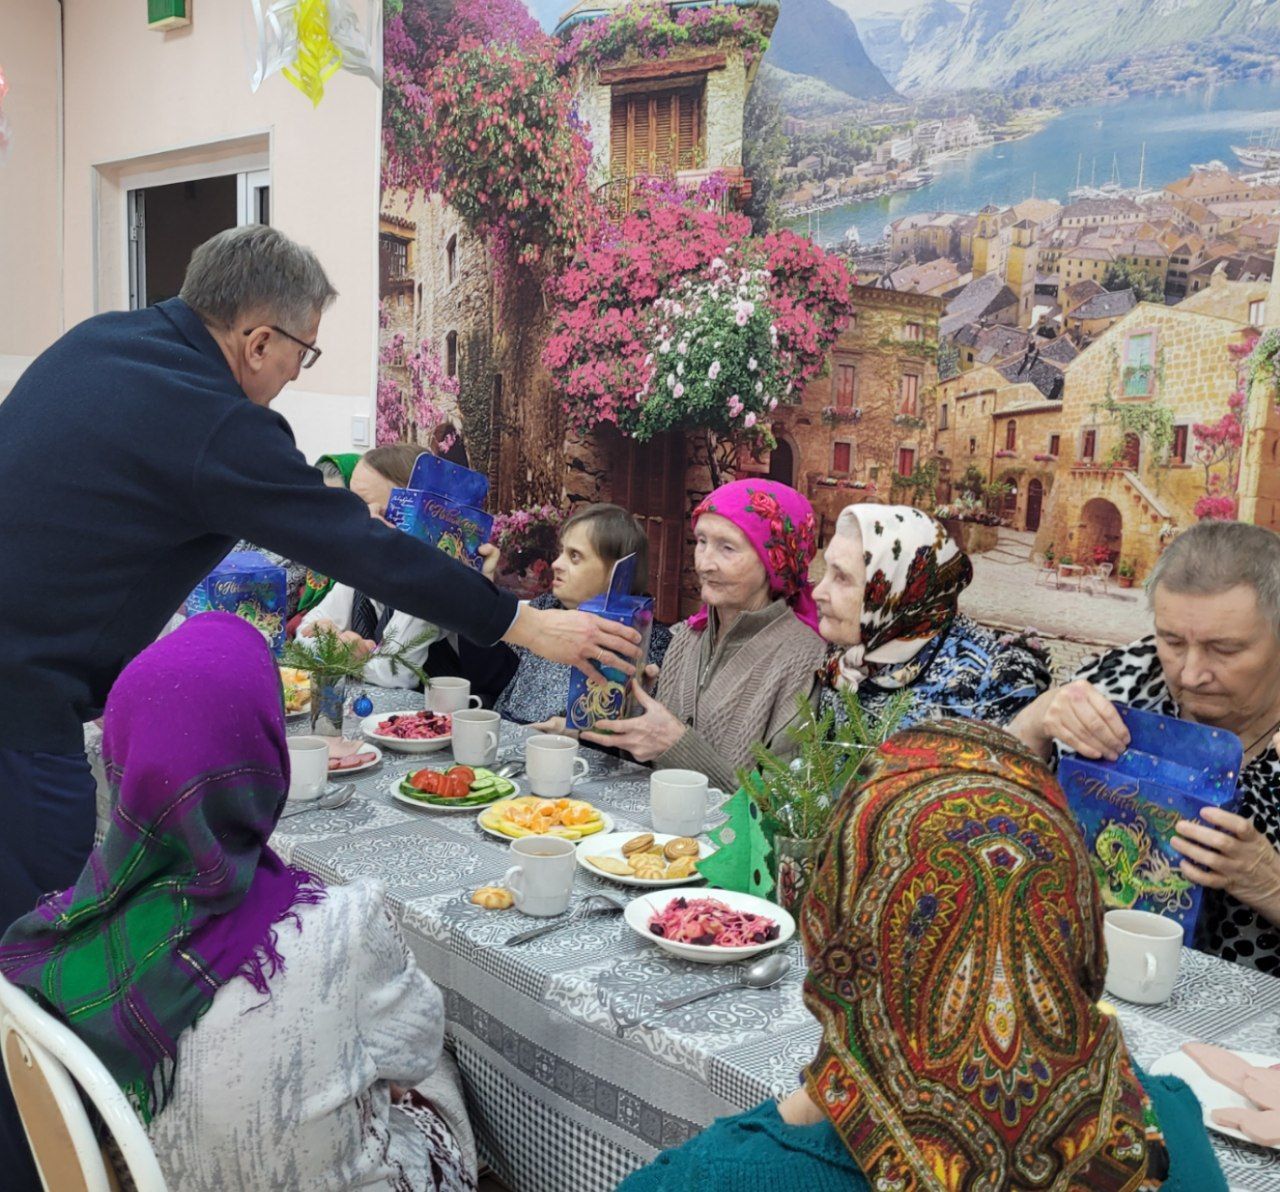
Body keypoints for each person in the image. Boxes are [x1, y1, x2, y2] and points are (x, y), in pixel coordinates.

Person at [0, 223, 638, 922]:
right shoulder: (213, 419)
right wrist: (525, 622)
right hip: (22, 709)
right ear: (259, 341)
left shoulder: (98, 343)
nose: (295, 375)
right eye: (303, 353)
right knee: (34, 950)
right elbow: (362, 546)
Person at [618, 718, 1226, 1192]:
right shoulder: (1171, 1135)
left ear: (828, 933)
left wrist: (818, 1091)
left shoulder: (722, 1178)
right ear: (1080, 936)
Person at [0, 614, 475, 1191]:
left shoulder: (56, 938)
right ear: (267, 751)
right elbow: (415, 1057)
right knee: (442, 1069)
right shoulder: (345, 924)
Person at [1011, 520, 1280, 975]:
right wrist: (1037, 720)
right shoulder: (1126, 681)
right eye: (1172, 641)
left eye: (1226, 650)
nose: (1191, 674)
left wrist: (1267, 882)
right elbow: (984, 802)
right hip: (1089, 980)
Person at [583, 480, 827, 792]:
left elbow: (785, 805)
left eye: (727, 548)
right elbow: (649, 764)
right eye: (701, 541)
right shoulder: (688, 637)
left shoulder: (804, 659)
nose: (704, 564)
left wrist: (677, 746)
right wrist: (622, 714)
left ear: (775, 563)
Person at [811, 504, 1051, 729]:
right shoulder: (851, 653)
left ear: (897, 591)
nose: (817, 592)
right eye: (827, 572)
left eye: (841, 577)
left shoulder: (991, 683)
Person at [478, 504, 672, 724]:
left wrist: (575, 733)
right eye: (562, 552)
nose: (556, 564)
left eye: (575, 557)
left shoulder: (647, 640)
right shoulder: (545, 607)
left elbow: (631, 728)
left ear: (619, 572)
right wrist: (484, 583)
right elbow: (485, 670)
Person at [299, 444, 440, 688]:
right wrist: (342, 647)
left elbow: (395, 673)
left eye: (378, 510)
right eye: (354, 507)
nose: (359, 521)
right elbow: (303, 636)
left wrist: (348, 652)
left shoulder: (432, 576)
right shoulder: (363, 564)